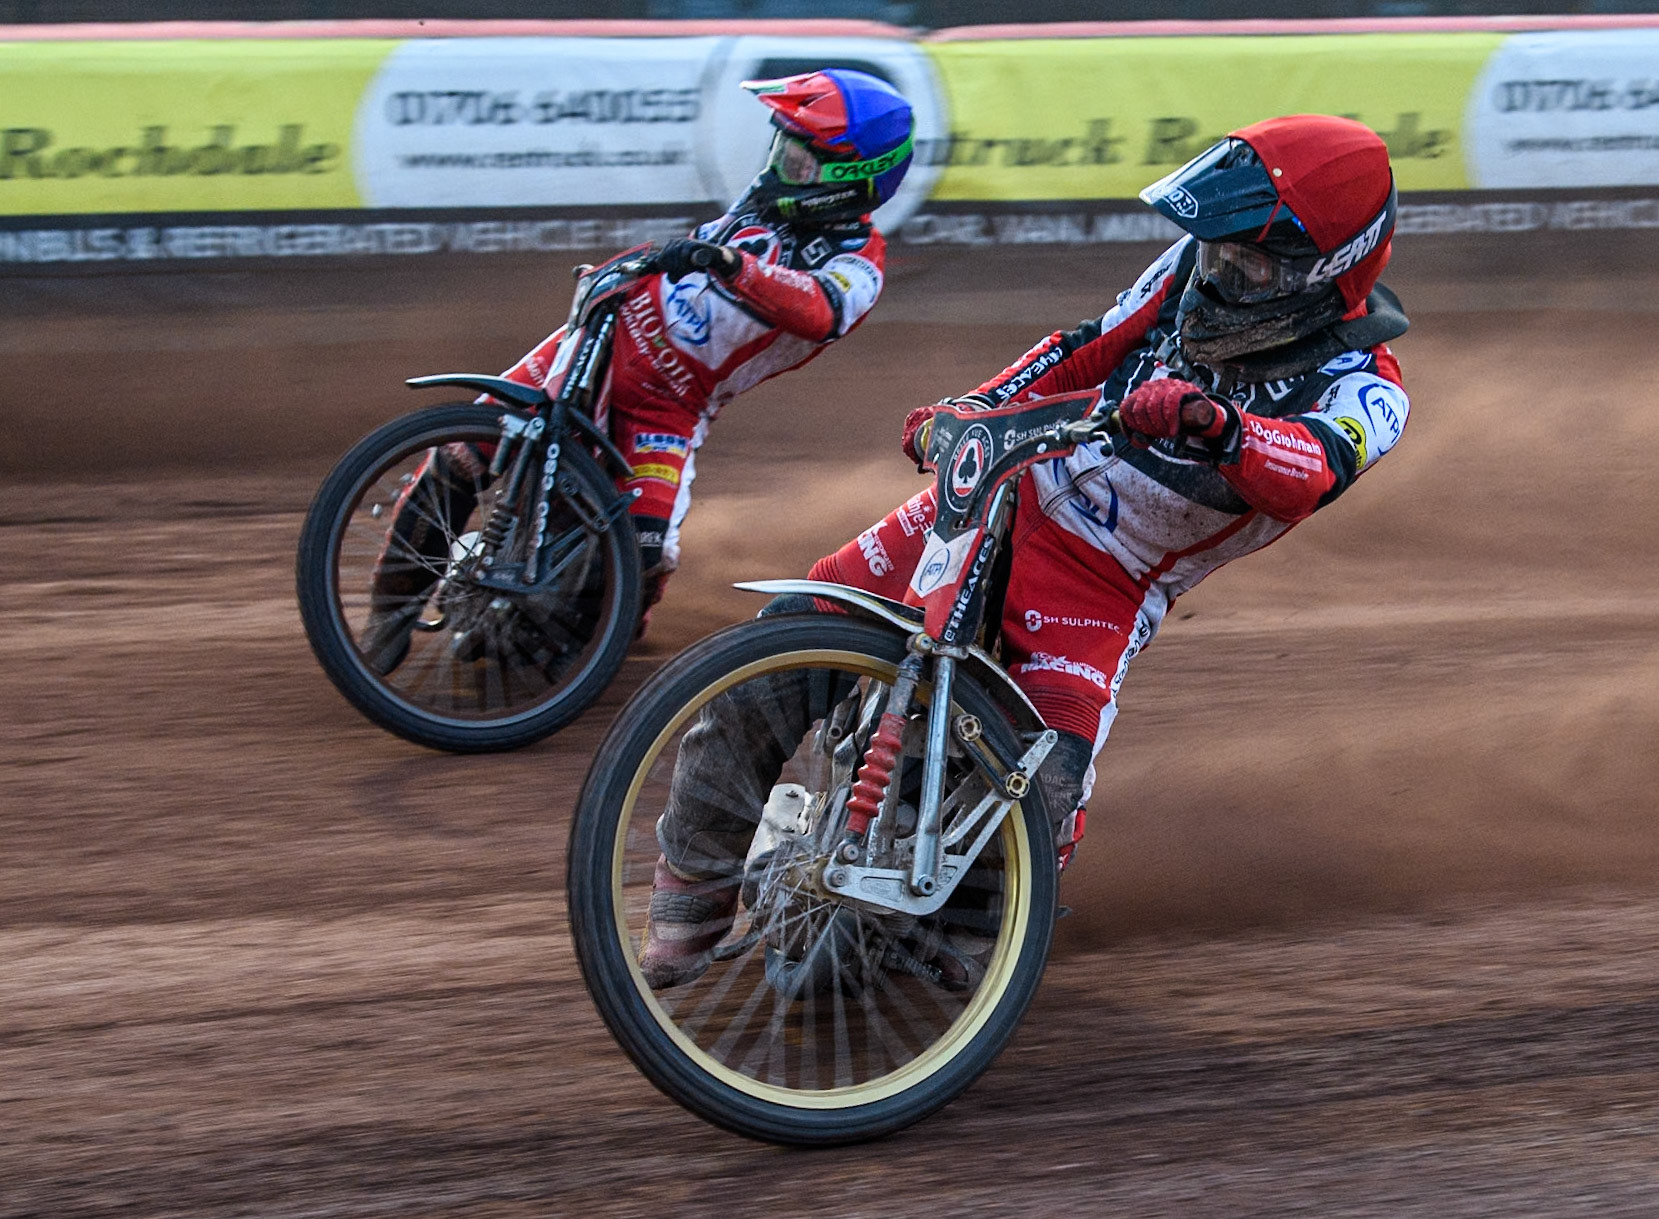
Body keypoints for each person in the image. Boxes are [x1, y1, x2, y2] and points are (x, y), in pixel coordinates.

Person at [642, 114, 1412, 988]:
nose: (1219, 267)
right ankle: (689, 895)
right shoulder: (1189, 270)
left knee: (1034, 816)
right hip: (1005, 490)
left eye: (1249, 258)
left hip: (1106, 585)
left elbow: (1309, 468)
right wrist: (970, 407)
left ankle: (944, 945)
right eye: (1214, 245)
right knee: (778, 648)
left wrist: (1220, 426)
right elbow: (1086, 344)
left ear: (1325, 272)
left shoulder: (1368, 391)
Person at [362, 68, 916, 669]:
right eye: (780, 148)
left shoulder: (862, 266)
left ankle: (584, 632)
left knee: (642, 554)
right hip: (605, 339)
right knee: (464, 452)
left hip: (669, 409)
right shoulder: (766, 199)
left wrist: (731, 264)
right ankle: (388, 610)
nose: (779, 166)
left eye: (799, 161)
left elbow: (818, 309)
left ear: (846, 182)